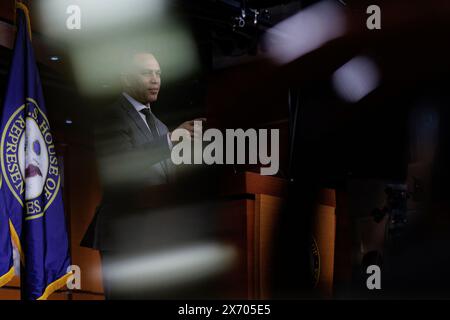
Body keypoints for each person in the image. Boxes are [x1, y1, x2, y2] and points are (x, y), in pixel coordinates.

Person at [81, 52, 205, 299]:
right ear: (126, 79)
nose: (155, 79)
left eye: (158, 73)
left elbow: (164, 178)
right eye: (147, 72)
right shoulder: (111, 115)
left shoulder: (159, 126)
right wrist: (170, 140)